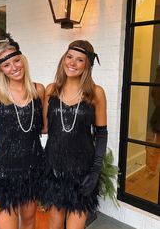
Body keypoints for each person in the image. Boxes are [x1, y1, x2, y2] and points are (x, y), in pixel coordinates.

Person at [41, 40, 107, 229]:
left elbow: (101, 134)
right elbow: (43, 128)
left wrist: (95, 171)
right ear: (64, 58)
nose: (72, 63)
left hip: (82, 171)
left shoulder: (96, 93)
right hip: (53, 168)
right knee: (55, 224)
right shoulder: (51, 90)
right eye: (69, 57)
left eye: (80, 60)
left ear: (88, 65)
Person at [0, 33, 45, 229]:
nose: (14, 67)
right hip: (4, 171)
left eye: (16, 61)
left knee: (28, 222)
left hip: (32, 169)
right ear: (1, 70)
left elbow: (44, 128)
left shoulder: (39, 90)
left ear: (22, 60)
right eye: (6, 65)